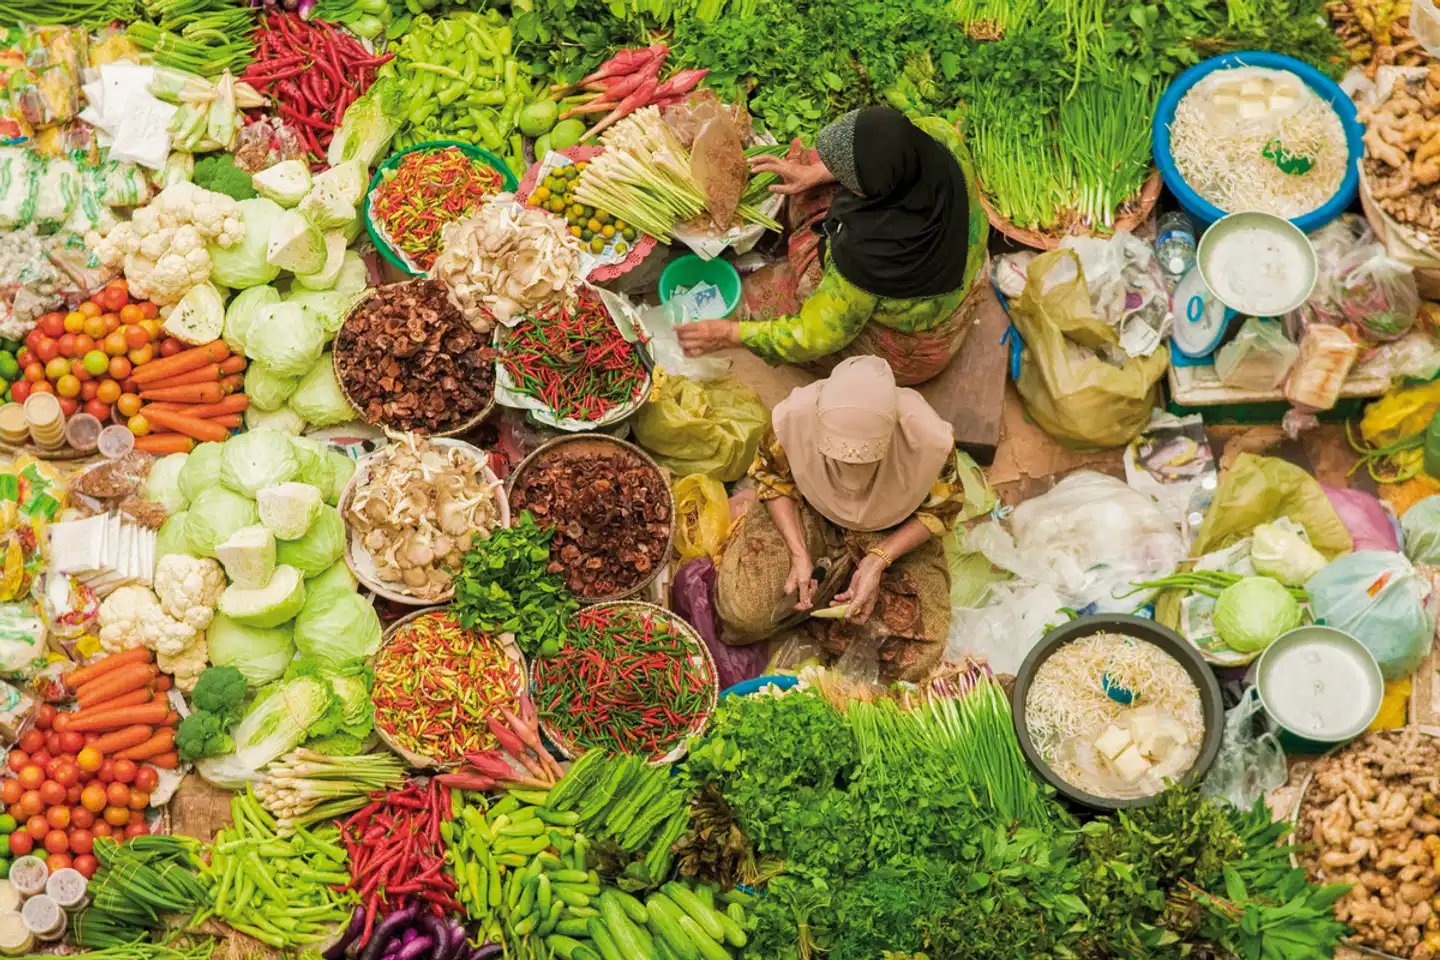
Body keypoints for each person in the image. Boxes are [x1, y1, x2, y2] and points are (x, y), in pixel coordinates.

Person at [675, 106, 990, 386]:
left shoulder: (870, 254)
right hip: (958, 268)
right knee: (809, 165)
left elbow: (813, 336)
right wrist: (816, 172)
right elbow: (877, 154)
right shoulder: (937, 136)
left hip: (914, 346)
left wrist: (729, 334)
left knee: (767, 300)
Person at [713, 356, 970, 682]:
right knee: (745, 613)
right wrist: (797, 552)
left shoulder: (930, 441)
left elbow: (940, 510)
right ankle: (823, 605)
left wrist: (878, 560)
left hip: (890, 528)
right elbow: (773, 479)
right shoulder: (792, 419)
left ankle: (817, 609)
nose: (850, 478)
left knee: (919, 658)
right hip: (809, 511)